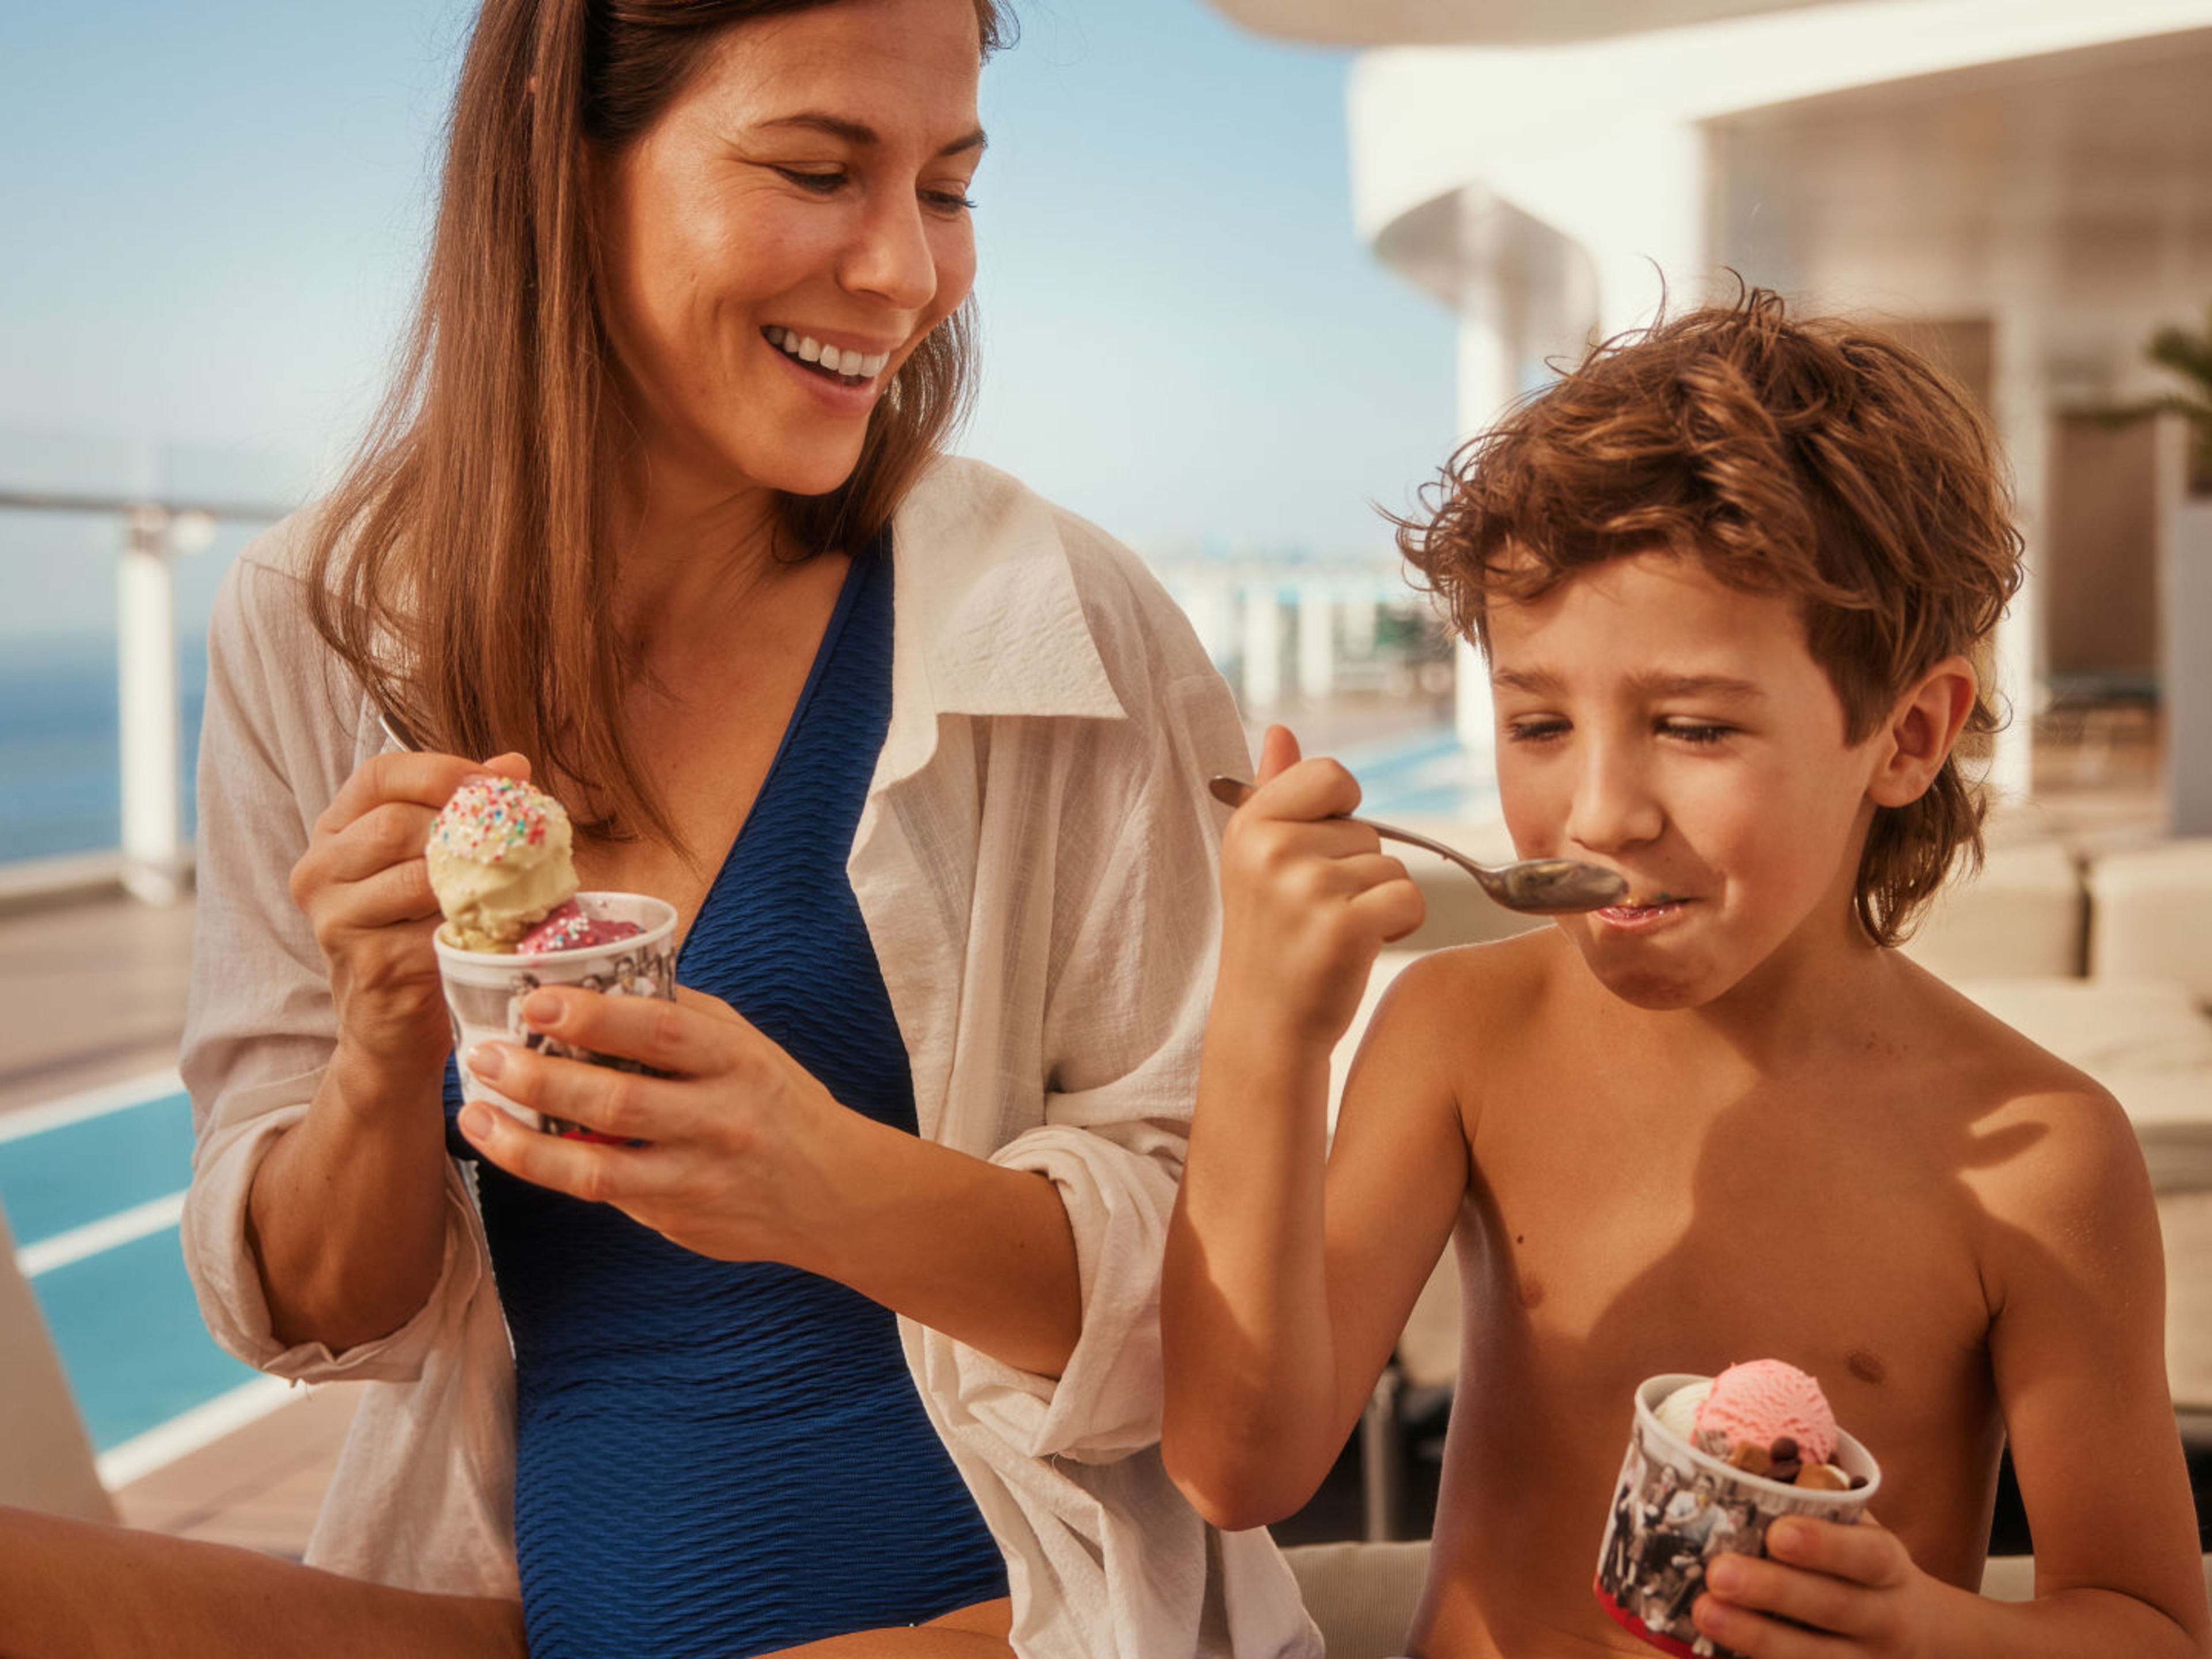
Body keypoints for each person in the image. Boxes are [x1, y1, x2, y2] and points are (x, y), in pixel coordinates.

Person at [0, 2, 1320, 1656]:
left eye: (948, 188)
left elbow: (1228, 1327)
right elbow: (324, 1308)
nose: (908, 272)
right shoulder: (315, 620)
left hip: (1006, 1611)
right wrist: (378, 1054)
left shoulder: (1061, 619)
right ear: (565, 160)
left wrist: (822, 1181)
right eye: (823, 171)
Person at [1161, 287, 2212, 1657]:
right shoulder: (1464, 1031)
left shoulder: (2045, 1159)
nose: (1598, 811)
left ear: (1905, 738)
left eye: (1695, 728)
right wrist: (1266, 1030)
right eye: (1537, 720)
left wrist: (1927, 1629)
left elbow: (2146, 1626)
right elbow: (1241, 1471)